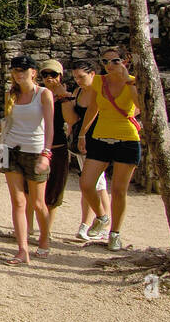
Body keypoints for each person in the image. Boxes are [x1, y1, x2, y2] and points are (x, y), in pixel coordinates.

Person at [0, 55, 55, 265]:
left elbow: (50, 126)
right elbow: (8, 124)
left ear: (33, 72)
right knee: (18, 201)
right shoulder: (10, 95)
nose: (19, 74)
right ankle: (22, 250)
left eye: (23, 70)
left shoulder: (44, 95)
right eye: (15, 70)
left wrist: (46, 154)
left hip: (35, 151)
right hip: (10, 150)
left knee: (38, 203)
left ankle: (44, 239)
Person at [77, 47, 144, 249]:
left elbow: (140, 105)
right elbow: (93, 108)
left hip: (127, 139)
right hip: (100, 137)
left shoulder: (133, 80)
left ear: (125, 61)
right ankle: (102, 217)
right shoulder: (99, 81)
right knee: (86, 183)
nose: (109, 65)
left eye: (114, 61)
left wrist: (128, 80)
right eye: (105, 61)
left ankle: (115, 233)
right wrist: (82, 133)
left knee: (119, 190)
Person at [69, 59, 113, 240]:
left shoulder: (99, 91)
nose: (78, 80)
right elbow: (74, 118)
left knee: (98, 184)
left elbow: (96, 113)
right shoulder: (78, 92)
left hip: (98, 139)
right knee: (90, 184)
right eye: (75, 77)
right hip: (82, 141)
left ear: (93, 74)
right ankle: (91, 223)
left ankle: (102, 223)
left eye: (81, 76)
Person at [38, 59, 71, 219]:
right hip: (37, 146)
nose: (49, 78)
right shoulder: (37, 95)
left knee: (54, 194)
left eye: (53, 74)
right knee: (31, 192)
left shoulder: (67, 97)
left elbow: (71, 119)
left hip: (58, 147)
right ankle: (28, 228)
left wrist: (63, 97)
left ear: (60, 76)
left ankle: (47, 232)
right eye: (45, 74)